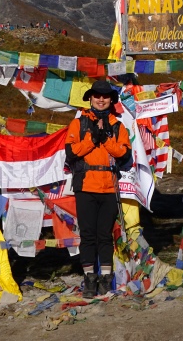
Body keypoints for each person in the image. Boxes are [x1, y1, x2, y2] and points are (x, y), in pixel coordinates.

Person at [66, 80, 131, 298]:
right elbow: (71, 152)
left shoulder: (118, 126)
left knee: (105, 235)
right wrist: (93, 139)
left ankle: (105, 279)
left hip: (109, 186)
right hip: (85, 185)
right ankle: (89, 279)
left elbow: (124, 153)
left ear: (111, 100)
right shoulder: (78, 123)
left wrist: (107, 141)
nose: (101, 100)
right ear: (90, 98)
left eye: (105, 96)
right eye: (97, 96)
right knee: (87, 235)